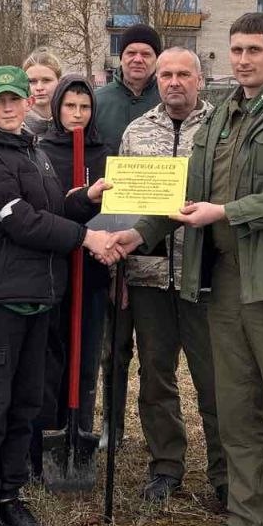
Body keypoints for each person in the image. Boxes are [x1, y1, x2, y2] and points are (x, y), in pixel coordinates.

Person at [111, 12, 263, 526]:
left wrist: (227, 213)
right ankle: (247, 516)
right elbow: (188, 195)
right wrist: (136, 234)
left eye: (254, 50)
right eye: (235, 50)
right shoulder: (222, 119)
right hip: (226, 280)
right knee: (236, 406)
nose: (243, 59)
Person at [0, 65, 117, 526]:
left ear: (29, 101)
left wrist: (83, 200)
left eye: (16, 99)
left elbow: (50, 210)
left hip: (37, 297)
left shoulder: (33, 151)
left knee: (26, 402)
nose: (9, 107)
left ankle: (10, 495)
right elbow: (23, 222)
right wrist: (87, 236)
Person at [117, 48, 226, 508]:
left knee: (216, 379)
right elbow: (123, 206)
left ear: (200, 80)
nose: (174, 82)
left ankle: (226, 472)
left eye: (184, 74)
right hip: (148, 277)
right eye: (166, 75)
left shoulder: (222, 130)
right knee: (156, 375)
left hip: (206, 277)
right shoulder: (137, 132)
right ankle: (166, 465)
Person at [33, 74, 112, 471]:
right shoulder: (42, 151)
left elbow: (118, 211)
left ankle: (80, 432)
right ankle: (49, 431)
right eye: (70, 106)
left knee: (87, 355)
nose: (77, 114)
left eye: (84, 107)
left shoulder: (105, 153)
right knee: (52, 354)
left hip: (93, 273)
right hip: (54, 270)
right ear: (57, 107)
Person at [95, 24, 162, 448]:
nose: (138, 59)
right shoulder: (100, 102)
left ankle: (158, 434)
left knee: (155, 351)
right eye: (131, 52)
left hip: (158, 234)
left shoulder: (168, 98)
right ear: (120, 57)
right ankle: (111, 426)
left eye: (146, 54)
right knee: (112, 345)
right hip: (108, 232)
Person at [22, 49, 63, 137]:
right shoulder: (14, 130)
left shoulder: (70, 125)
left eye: (46, 80)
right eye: (32, 81)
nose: (39, 88)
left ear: (59, 82)